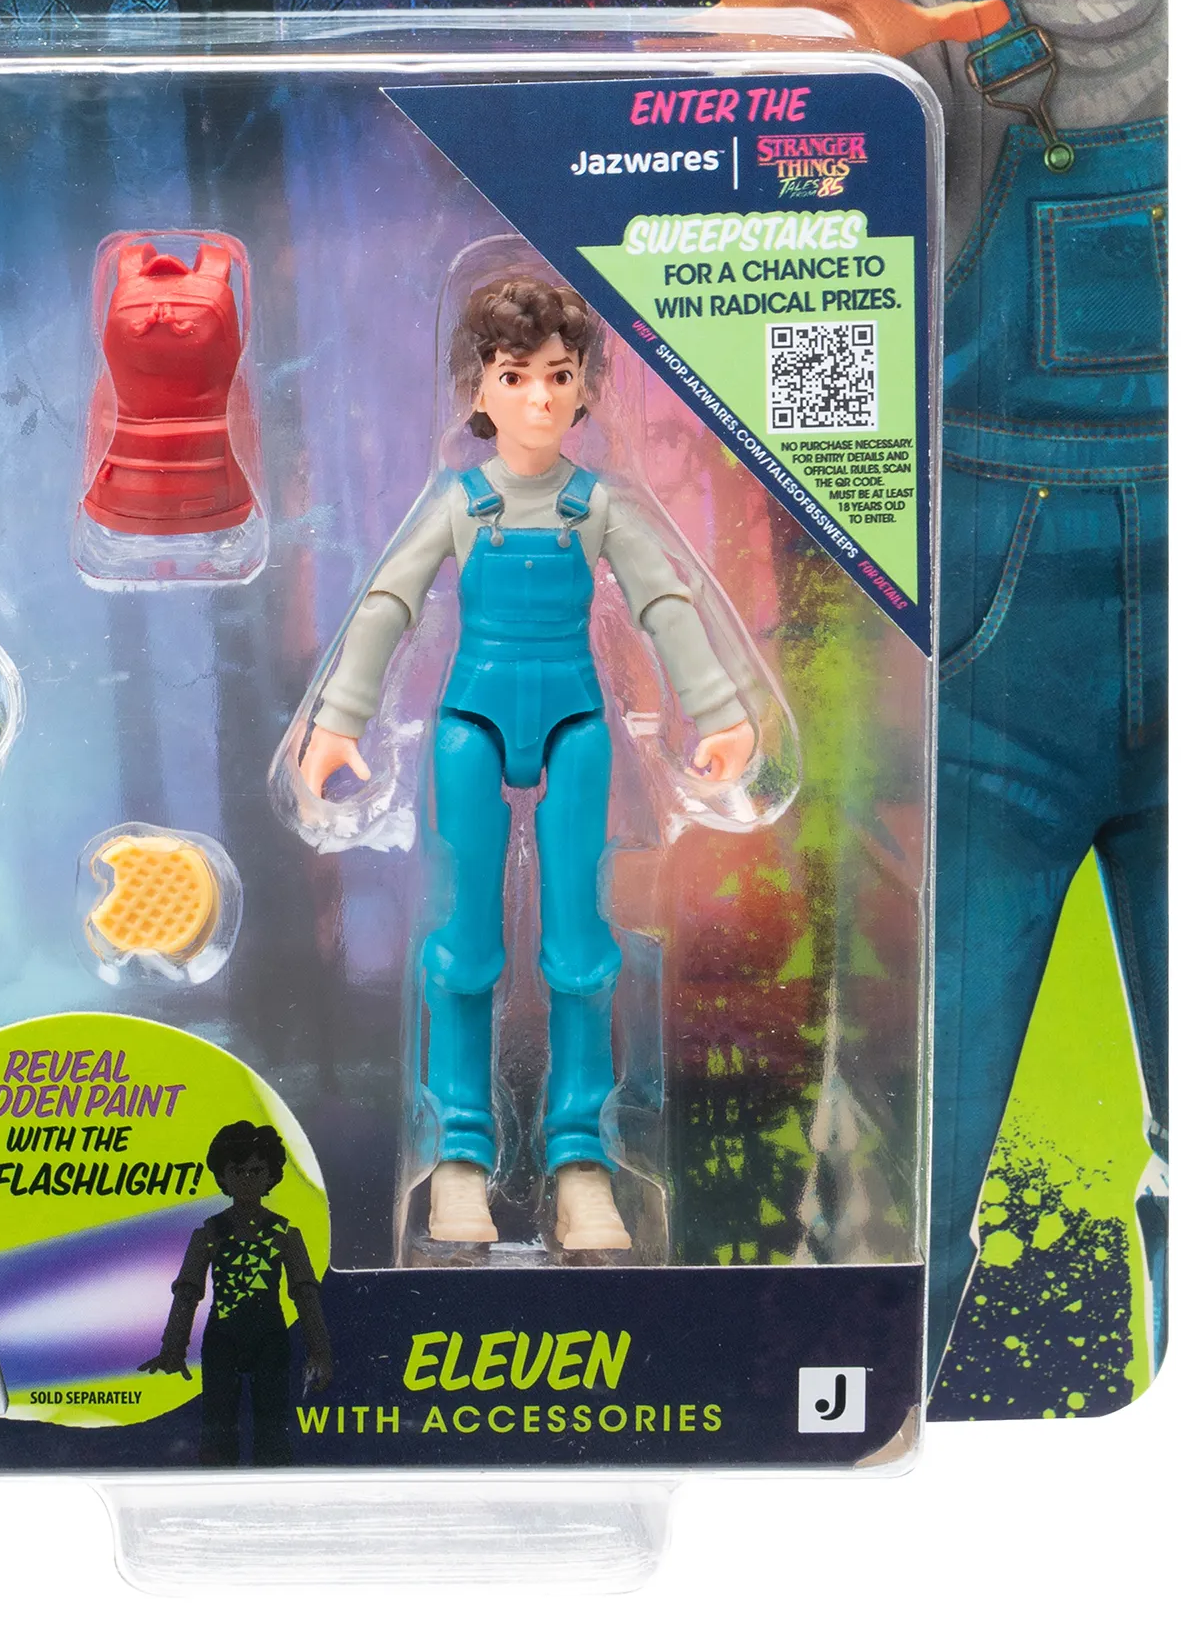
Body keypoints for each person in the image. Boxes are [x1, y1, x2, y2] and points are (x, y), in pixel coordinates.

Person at [638, 0, 1168, 1386]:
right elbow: (800, 314)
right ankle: (851, 1422)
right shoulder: (902, 16)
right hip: (985, 664)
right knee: (906, 1138)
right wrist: (819, 88)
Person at [299, 276, 755, 1254]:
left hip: (576, 725)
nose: (540, 398)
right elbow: (387, 603)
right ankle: (459, 1155)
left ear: (586, 385)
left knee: (582, 951)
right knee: (464, 946)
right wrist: (337, 721)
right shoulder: (457, 502)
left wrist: (718, 710)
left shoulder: (599, 504)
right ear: (478, 389)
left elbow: (664, 603)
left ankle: (581, 1161)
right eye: (516, 376)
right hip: (468, 723)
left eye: (558, 375)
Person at [140, 1120, 331, 1465]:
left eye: (256, 1171)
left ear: (271, 1175)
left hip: (270, 1337)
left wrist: (320, 1352)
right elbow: (187, 1291)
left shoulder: (285, 1234)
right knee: (217, 1428)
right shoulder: (209, 1233)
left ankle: (273, 1481)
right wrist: (173, 1347)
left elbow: (305, 1294)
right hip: (223, 1338)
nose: (247, 1179)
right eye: (237, 1171)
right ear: (223, 1176)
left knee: (272, 1430)